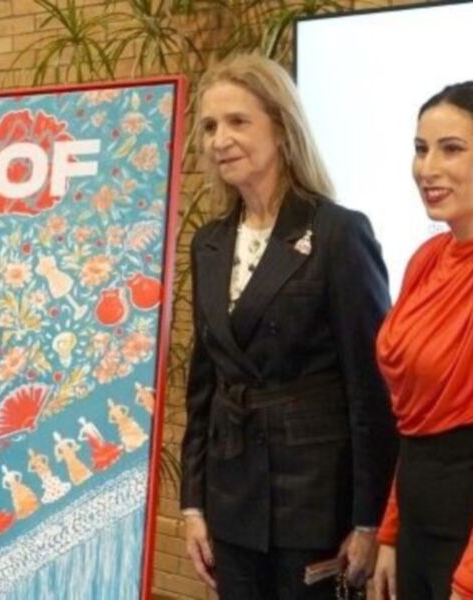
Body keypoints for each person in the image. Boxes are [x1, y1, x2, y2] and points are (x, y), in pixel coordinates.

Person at [180, 53, 398, 599]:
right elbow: (202, 387)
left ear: (281, 128)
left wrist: (369, 521)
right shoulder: (208, 244)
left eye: (237, 121)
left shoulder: (337, 234)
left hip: (314, 501)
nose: (220, 140)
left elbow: (370, 390)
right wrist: (192, 505)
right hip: (231, 500)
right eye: (209, 126)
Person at [373, 82, 473, 600]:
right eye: (420, 149)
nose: (427, 168)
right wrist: (392, 532)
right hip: (418, 519)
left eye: (451, 149)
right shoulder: (427, 259)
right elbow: (411, 419)